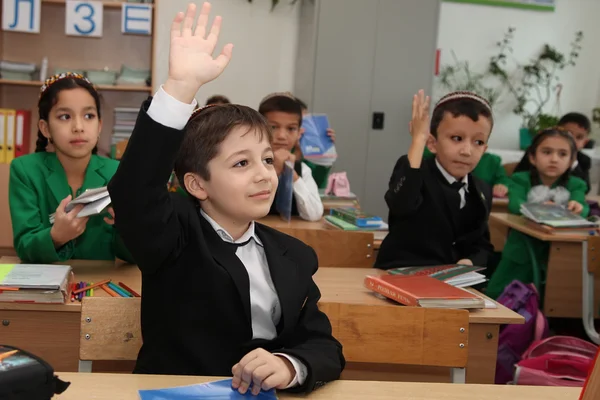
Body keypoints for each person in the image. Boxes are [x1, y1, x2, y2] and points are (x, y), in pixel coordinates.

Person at [107, 2, 344, 395]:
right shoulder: (174, 238)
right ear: (198, 185)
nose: (264, 173)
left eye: (267, 159)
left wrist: (288, 365)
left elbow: (324, 347)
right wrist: (181, 88)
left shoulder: (293, 256)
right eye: (240, 164)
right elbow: (135, 191)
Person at [9, 72, 133, 264]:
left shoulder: (118, 173)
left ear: (99, 126)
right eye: (65, 116)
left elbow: (131, 256)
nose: (78, 126)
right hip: (45, 287)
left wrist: (126, 227)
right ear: (45, 128)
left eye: (88, 116)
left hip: (99, 285)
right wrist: (56, 237)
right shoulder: (25, 170)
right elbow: (25, 247)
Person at [375, 90, 494, 270]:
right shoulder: (416, 171)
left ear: (485, 149)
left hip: (452, 284)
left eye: (478, 142)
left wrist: (470, 262)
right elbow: (401, 204)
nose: (467, 151)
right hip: (400, 276)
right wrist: (418, 140)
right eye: (457, 138)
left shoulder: (480, 189)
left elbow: (482, 245)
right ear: (432, 143)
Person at [486, 128, 589, 299]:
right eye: (547, 152)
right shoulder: (520, 179)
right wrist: (541, 209)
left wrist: (577, 206)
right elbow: (515, 204)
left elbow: (582, 207)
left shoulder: (577, 184)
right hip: (522, 249)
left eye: (562, 154)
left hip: (559, 252)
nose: (554, 159)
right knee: (499, 293)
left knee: (557, 297)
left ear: (572, 161)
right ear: (532, 157)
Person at [258, 93, 324, 221]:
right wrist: (275, 171)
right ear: (259, 128)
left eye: (291, 128)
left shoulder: (301, 169)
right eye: (273, 127)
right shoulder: (245, 165)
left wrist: (292, 175)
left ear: (299, 133)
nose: (282, 135)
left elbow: (314, 214)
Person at [514, 113, 593, 193]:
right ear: (557, 132)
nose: (573, 140)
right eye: (569, 134)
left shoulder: (584, 160)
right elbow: (517, 177)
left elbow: (585, 189)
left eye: (579, 137)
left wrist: (573, 161)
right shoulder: (535, 151)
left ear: (585, 142)